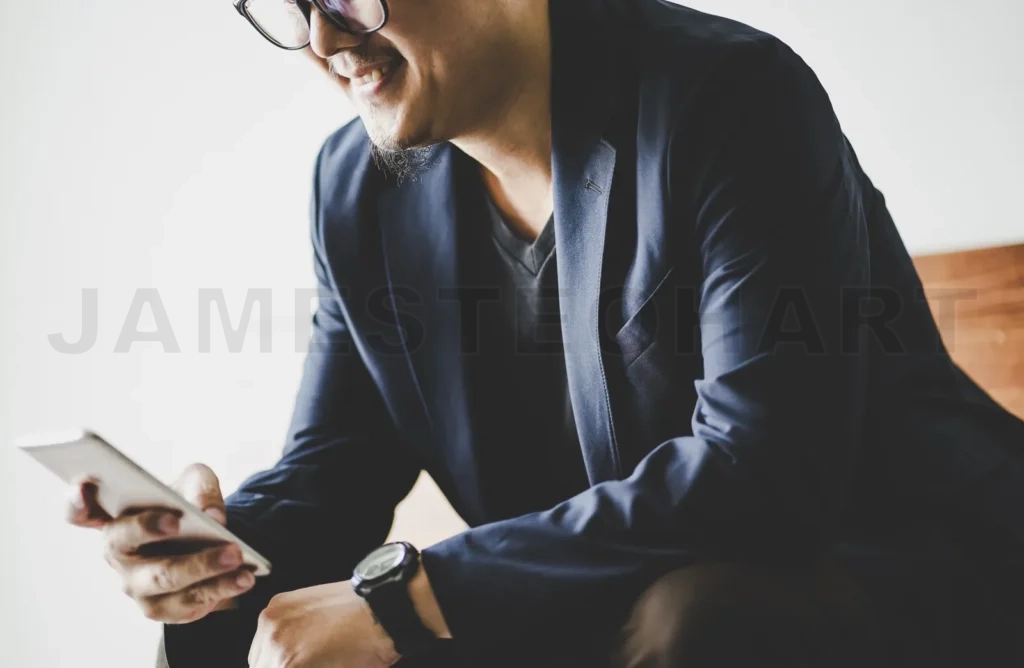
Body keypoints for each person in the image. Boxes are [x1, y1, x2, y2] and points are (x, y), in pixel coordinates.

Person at [66, 0, 1024, 666]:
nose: (322, 40)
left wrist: (408, 600)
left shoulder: (731, 97)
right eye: (291, 4)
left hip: (900, 572)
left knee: (693, 619)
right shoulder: (355, 190)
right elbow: (333, 473)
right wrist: (207, 549)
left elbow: (765, 476)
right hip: (604, 590)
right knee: (232, 624)